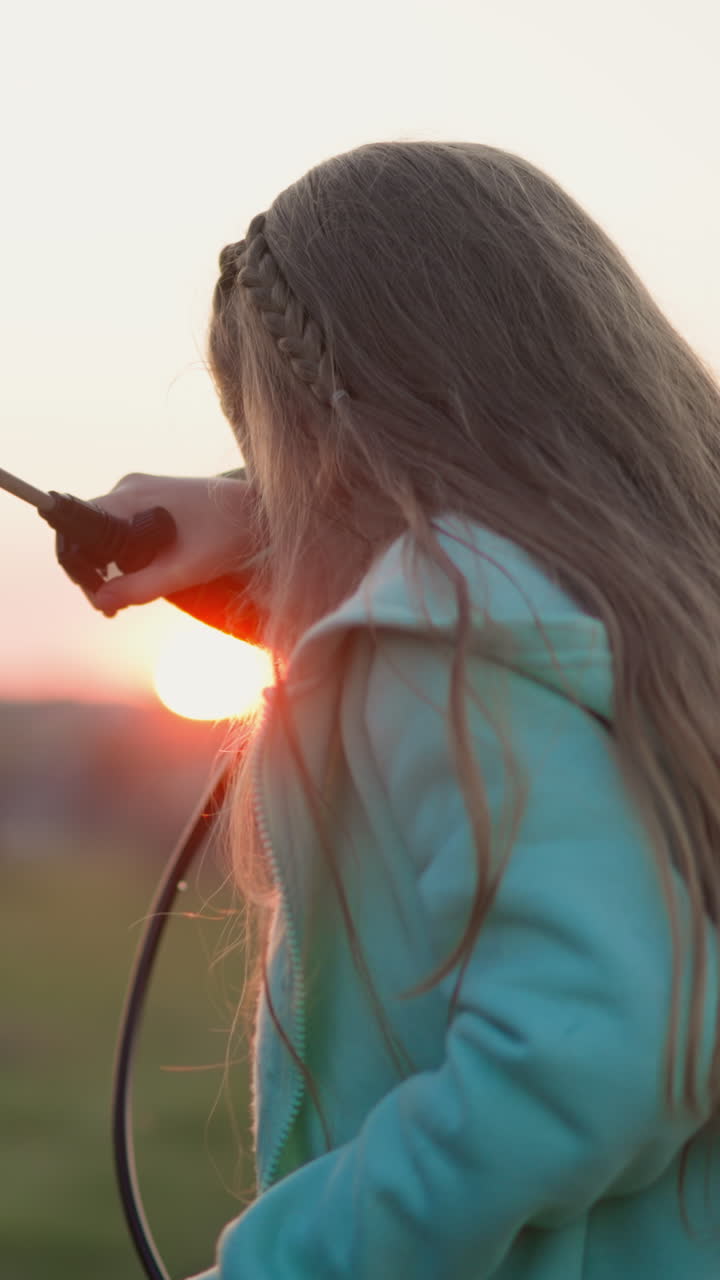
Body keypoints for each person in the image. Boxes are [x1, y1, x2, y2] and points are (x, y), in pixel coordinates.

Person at [86, 141, 720, 1278]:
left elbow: (588, 1054)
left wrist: (289, 1263)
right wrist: (261, 520)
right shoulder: (655, 595)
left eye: (262, 445)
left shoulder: (457, 648)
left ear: (318, 434)